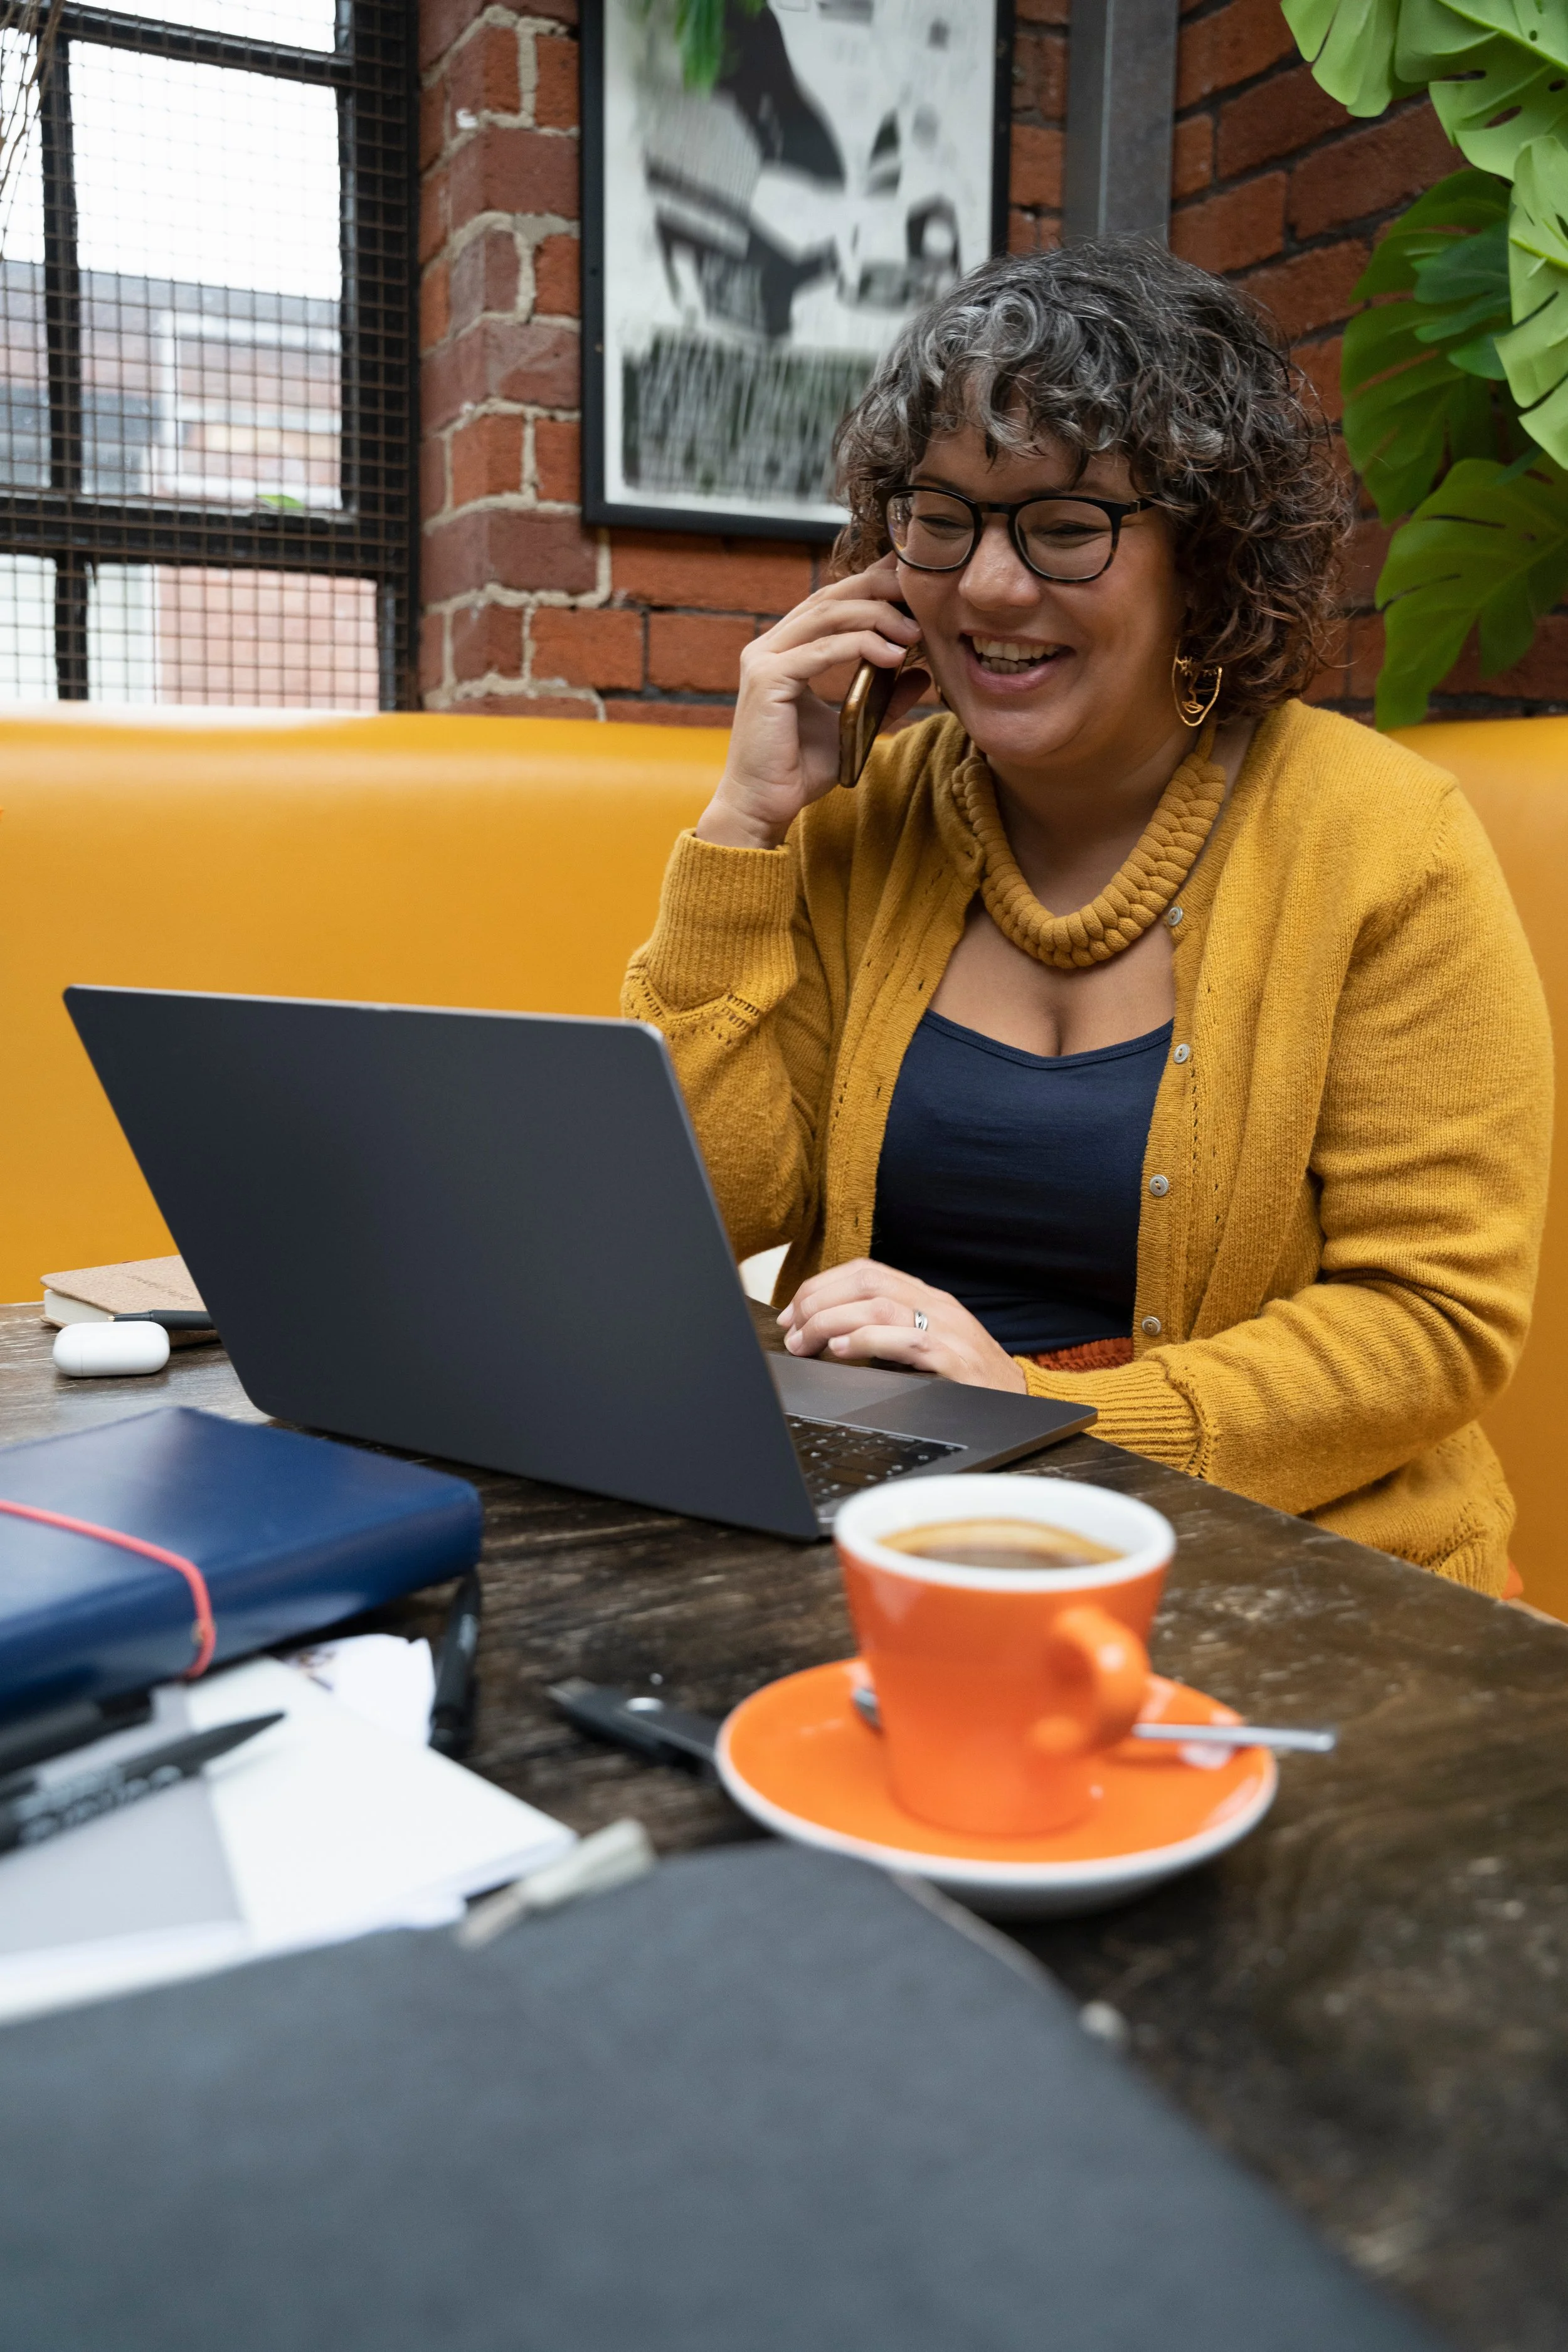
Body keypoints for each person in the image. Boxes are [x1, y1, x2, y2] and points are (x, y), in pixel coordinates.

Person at [623, 240, 1551, 1594]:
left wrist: (1036, 1415)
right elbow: (698, 1216)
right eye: (941, 518)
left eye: (1064, 527)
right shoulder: (864, 814)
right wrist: (742, 833)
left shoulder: (1382, 846)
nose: (989, 587)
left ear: (1204, 554)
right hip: (889, 1543)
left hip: (1299, 1580)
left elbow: (1429, 1322)